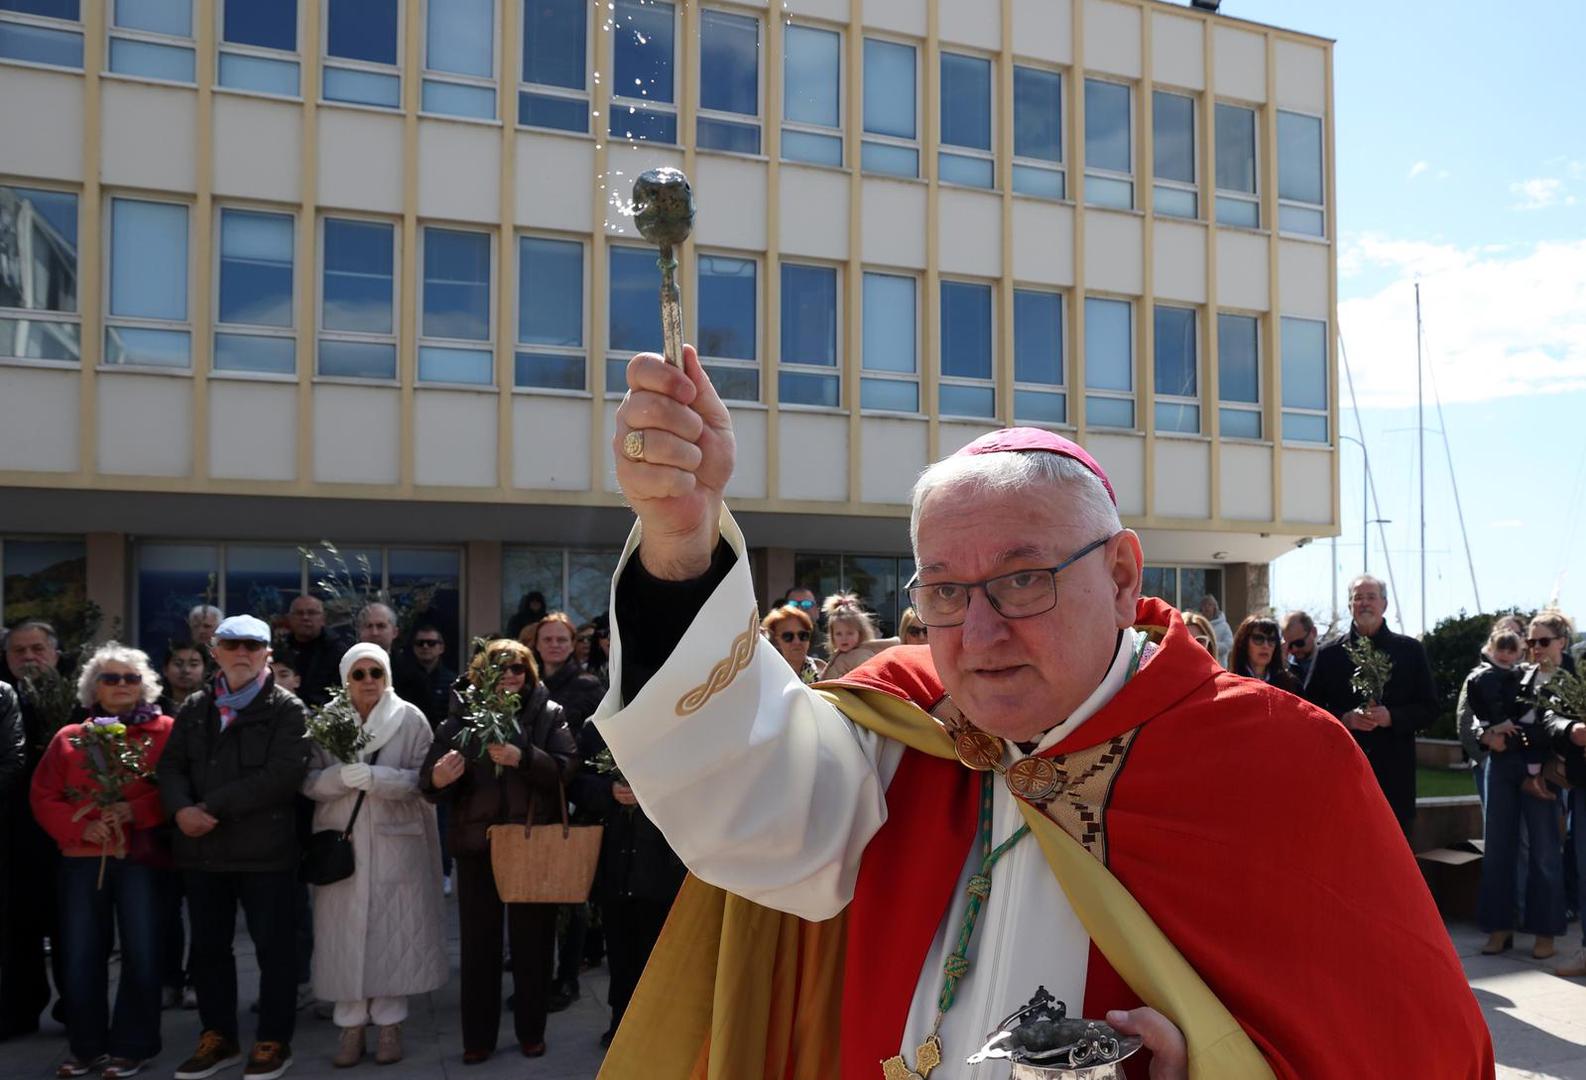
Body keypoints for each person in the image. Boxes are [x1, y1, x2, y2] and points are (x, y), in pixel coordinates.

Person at [592, 344, 1492, 1078]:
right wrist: (680, 541)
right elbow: (745, 806)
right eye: (943, 590)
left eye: (1023, 579)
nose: (977, 632)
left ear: (1122, 574)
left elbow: (1408, 1047)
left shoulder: (1277, 756)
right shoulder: (906, 727)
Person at [157, 615, 309, 1080]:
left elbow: (282, 776)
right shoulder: (195, 708)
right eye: (231, 644)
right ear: (215, 651)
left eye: (252, 645)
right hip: (202, 854)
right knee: (208, 952)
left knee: (275, 952)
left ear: (267, 654)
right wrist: (181, 810)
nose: (242, 652)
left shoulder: (287, 708)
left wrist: (210, 808)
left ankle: (273, 1040)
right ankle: (218, 1037)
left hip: (267, 854)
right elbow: (170, 768)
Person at [419, 639, 578, 1064]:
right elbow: (428, 782)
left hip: (531, 844)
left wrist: (523, 757)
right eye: (500, 668)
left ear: (530, 674)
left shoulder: (549, 714)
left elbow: (567, 770)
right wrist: (437, 778)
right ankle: (478, 1039)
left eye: (518, 669)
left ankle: (531, 1031)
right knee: (479, 947)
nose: (510, 676)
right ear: (482, 674)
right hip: (478, 844)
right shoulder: (461, 718)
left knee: (533, 945)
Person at [30, 643, 175, 1079]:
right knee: (79, 955)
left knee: (143, 953)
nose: (122, 686)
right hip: (81, 859)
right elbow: (43, 796)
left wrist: (138, 810)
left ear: (145, 685)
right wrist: (80, 826)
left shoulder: (167, 729)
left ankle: (133, 1046)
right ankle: (86, 1046)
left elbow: (179, 786)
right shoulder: (69, 738)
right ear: (95, 687)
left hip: (139, 858)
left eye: (131, 678)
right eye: (111, 678)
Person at [302, 644, 446, 1068]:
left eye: (376, 673)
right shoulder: (326, 720)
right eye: (360, 673)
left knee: (393, 935)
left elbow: (424, 779)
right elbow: (306, 781)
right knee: (342, 937)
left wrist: (377, 779)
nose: (369, 682)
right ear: (346, 676)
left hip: (395, 843)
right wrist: (337, 778)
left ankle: (389, 1027)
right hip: (340, 844)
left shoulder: (410, 718)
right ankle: (349, 1028)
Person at [573, 721, 686, 1049]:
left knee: (658, 951)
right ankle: (620, 1022)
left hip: (661, 862)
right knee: (620, 951)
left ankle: (659, 1025)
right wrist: (609, 792)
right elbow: (576, 782)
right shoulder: (598, 726)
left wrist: (651, 789)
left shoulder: (674, 719)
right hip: (614, 859)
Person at [1304, 575, 1440, 836]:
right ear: (1349, 606)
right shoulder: (1329, 653)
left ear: (1385, 604)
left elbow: (1430, 708)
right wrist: (1344, 719)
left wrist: (1393, 717)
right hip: (1344, 772)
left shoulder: (1410, 650)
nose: (1364, 603)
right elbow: (1309, 710)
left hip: (1394, 776)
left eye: (1371, 597)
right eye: (1357, 598)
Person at [522, 612, 606, 1011]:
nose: (554, 644)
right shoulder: (530, 683)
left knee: (571, 895)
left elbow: (582, 741)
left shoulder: (586, 686)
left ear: (573, 644)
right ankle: (537, 971)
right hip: (537, 796)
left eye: (561, 639)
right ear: (536, 644)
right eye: (548, 639)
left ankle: (567, 977)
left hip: (574, 796)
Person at [1468, 623, 1560, 960]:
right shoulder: (1502, 674)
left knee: (1544, 852)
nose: (1535, 646)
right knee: (1498, 848)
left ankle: (1545, 930)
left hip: (1542, 768)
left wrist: (1526, 739)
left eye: (1542, 641)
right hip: (1502, 764)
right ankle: (1498, 927)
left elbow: (1559, 727)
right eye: (1531, 641)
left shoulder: (1565, 679)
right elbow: (1475, 709)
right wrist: (1485, 735)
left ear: (1561, 641)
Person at [1, 620, 69, 1041]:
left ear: (56, 654)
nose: (28, 658)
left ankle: (75, 1006)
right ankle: (19, 1010)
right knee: (16, 927)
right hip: (13, 833)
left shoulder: (79, 698)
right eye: (18, 651)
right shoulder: (3, 697)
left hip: (66, 833)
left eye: (37, 649)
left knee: (72, 927)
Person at [1458, 626, 1526, 806]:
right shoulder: (1486, 674)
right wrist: (1500, 724)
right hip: (1490, 745)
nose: (1504, 653)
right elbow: (1470, 714)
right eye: (1500, 648)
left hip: (1512, 747)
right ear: (1491, 648)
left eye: (1510, 649)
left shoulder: (1516, 673)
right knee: (1496, 811)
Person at [279, 595, 345, 707]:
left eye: (312, 613)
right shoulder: (281, 649)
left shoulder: (338, 651)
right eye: (299, 613)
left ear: (323, 618)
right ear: (289, 619)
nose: (305, 617)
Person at [818, 593, 902, 681]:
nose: (844, 638)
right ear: (832, 636)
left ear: (860, 633)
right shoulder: (839, 655)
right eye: (839, 634)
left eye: (850, 633)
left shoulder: (861, 655)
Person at [1228, 616, 1303, 695]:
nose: (1265, 645)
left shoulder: (1290, 685)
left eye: (1271, 640)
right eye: (1258, 639)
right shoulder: (1230, 685)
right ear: (1243, 643)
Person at [761, 605, 822, 683]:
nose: (797, 642)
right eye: (788, 636)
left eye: (802, 635)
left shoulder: (822, 669)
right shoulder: (766, 675)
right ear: (775, 640)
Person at [159, 641, 208, 717]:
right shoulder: (154, 708)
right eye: (178, 664)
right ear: (165, 670)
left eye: (193, 664)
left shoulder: (216, 706)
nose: (186, 670)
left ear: (205, 671)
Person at [1280, 610, 1319, 688]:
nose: (1294, 649)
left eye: (1299, 643)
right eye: (1290, 645)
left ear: (1313, 632)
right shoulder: (1286, 666)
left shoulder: (1329, 660)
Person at [1198, 594, 1234, 667]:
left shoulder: (1224, 626)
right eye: (1204, 605)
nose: (1207, 607)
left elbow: (1229, 644)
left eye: (1209, 605)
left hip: (1219, 666)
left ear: (1215, 607)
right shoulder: (1197, 625)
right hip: (1201, 666)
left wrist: (1212, 646)